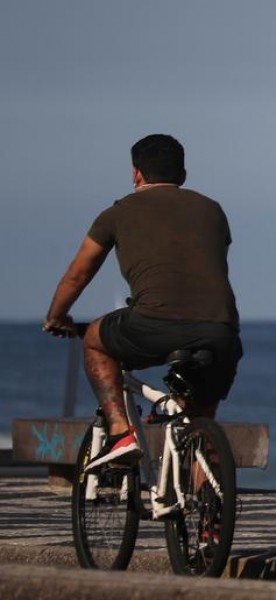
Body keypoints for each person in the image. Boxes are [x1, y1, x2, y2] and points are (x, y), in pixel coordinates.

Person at [43, 133, 242, 470]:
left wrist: (57, 316)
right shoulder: (212, 210)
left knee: (95, 340)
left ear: (137, 174)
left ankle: (121, 433)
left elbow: (78, 275)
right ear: (183, 175)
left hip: (154, 323)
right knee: (200, 419)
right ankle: (208, 514)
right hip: (221, 331)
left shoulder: (117, 213)